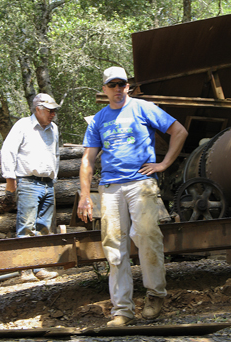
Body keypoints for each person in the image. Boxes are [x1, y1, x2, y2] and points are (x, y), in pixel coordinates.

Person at [77, 66, 188, 327]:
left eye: (122, 84)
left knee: (148, 237)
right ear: (104, 89)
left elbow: (179, 131)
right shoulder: (99, 120)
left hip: (141, 184)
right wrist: (84, 194)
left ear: (128, 87)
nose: (117, 89)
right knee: (114, 247)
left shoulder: (143, 108)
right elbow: (88, 158)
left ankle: (155, 295)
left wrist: (163, 164)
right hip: (111, 188)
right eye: (112, 85)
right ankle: (122, 310)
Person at [1, 93, 60, 282]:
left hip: (47, 183)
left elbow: (56, 154)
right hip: (28, 181)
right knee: (26, 226)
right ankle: (25, 270)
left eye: (54, 111)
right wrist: (10, 178)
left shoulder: (54, 129)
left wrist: (54, 178)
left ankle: (40, 268)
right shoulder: (23, 125)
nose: (52, 114)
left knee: (44, 227)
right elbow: (8, 150)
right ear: (38, 110)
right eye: (49, 111)